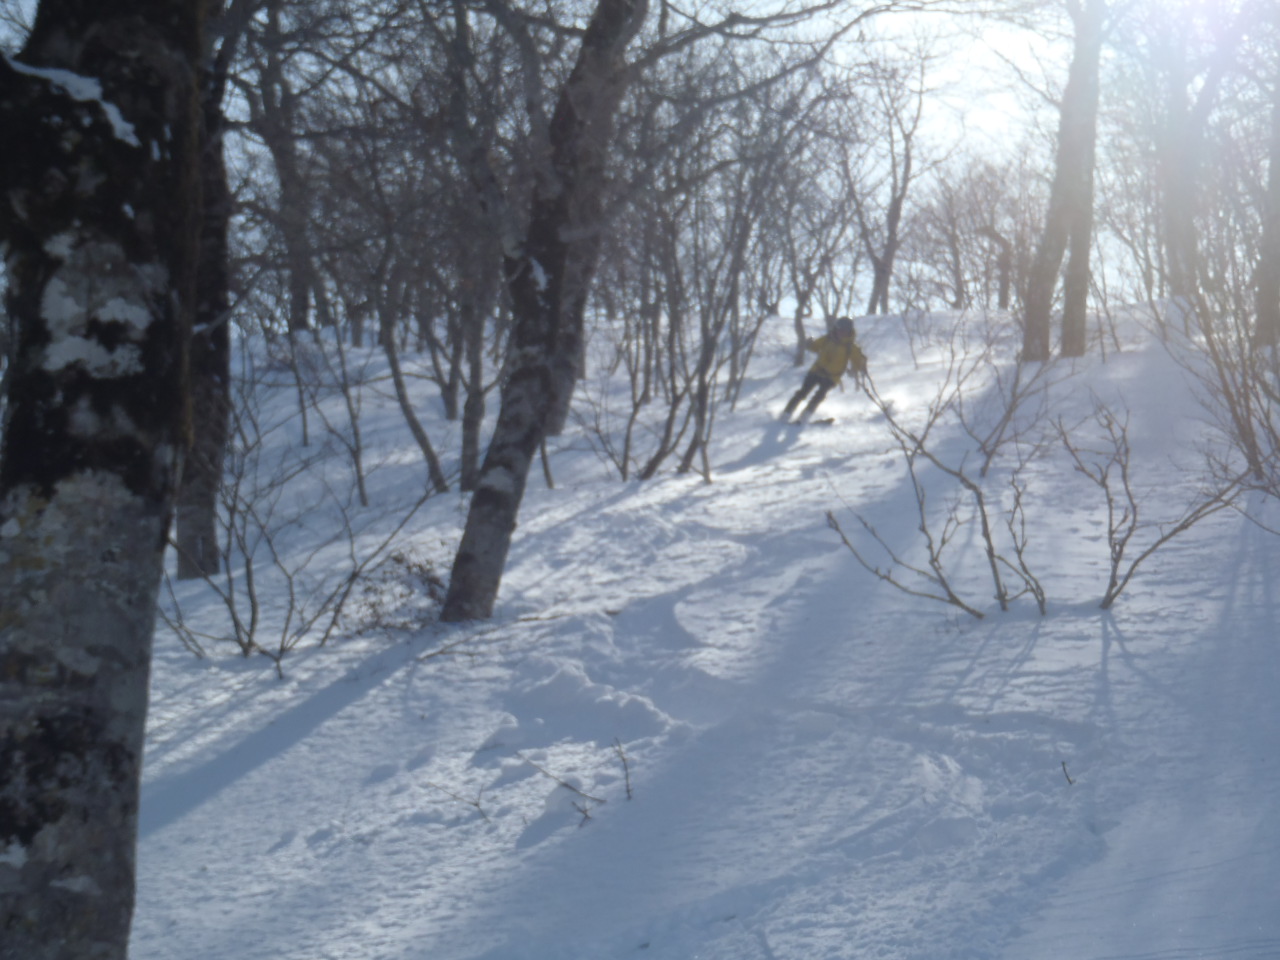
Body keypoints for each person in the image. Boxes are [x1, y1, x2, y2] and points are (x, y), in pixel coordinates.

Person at [781, 316, 867, 421]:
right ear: (836, 328)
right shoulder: (827, 339)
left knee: (819, 396)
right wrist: (810, 344)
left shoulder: (851, 347)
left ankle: (805, 416)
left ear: (849, 331)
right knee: (803, 392)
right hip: (816, 370)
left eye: (845, 330)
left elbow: (858, 360)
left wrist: (860, 365)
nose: (841, 332)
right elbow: (815, 347)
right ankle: (786, 414)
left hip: (832, 377)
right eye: (840, 329)